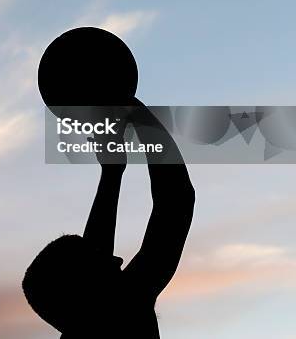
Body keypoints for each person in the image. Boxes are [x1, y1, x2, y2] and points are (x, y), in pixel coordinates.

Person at [23, 27, 195, 338]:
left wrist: (113, 171)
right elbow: (176, 201)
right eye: (102, 263)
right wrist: (134, 109)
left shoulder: (87, 319)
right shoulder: (126, 308)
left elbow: (94, 259)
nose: (116, 258)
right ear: (82, 289)